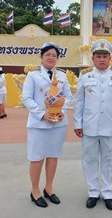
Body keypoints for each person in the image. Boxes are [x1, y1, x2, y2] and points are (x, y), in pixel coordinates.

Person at [73, 39, 112, 211]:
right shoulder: (85, 75)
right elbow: (79, 102)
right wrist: (77, 123)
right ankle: (93, 192)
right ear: (93, 58)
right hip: (89, 125)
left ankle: (108, 193)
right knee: (89, 159)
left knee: (109, 160)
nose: (102, 59)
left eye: (105, 56)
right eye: (98, 56)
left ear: (110, 58)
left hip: (110, 126)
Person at [22, 42, 72, 208]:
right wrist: (43, 114)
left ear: (57, 59)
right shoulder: (33, 76)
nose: (51, 58)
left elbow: (69, 97)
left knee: (53, 156)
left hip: (58, 123)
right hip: (39, 123)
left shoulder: (63, 76)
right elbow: (26, 98)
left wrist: (62, 111)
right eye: (48, 55)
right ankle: (35, 191)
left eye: (54, 55)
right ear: (41, 57)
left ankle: (49, 188)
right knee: (37, 157)